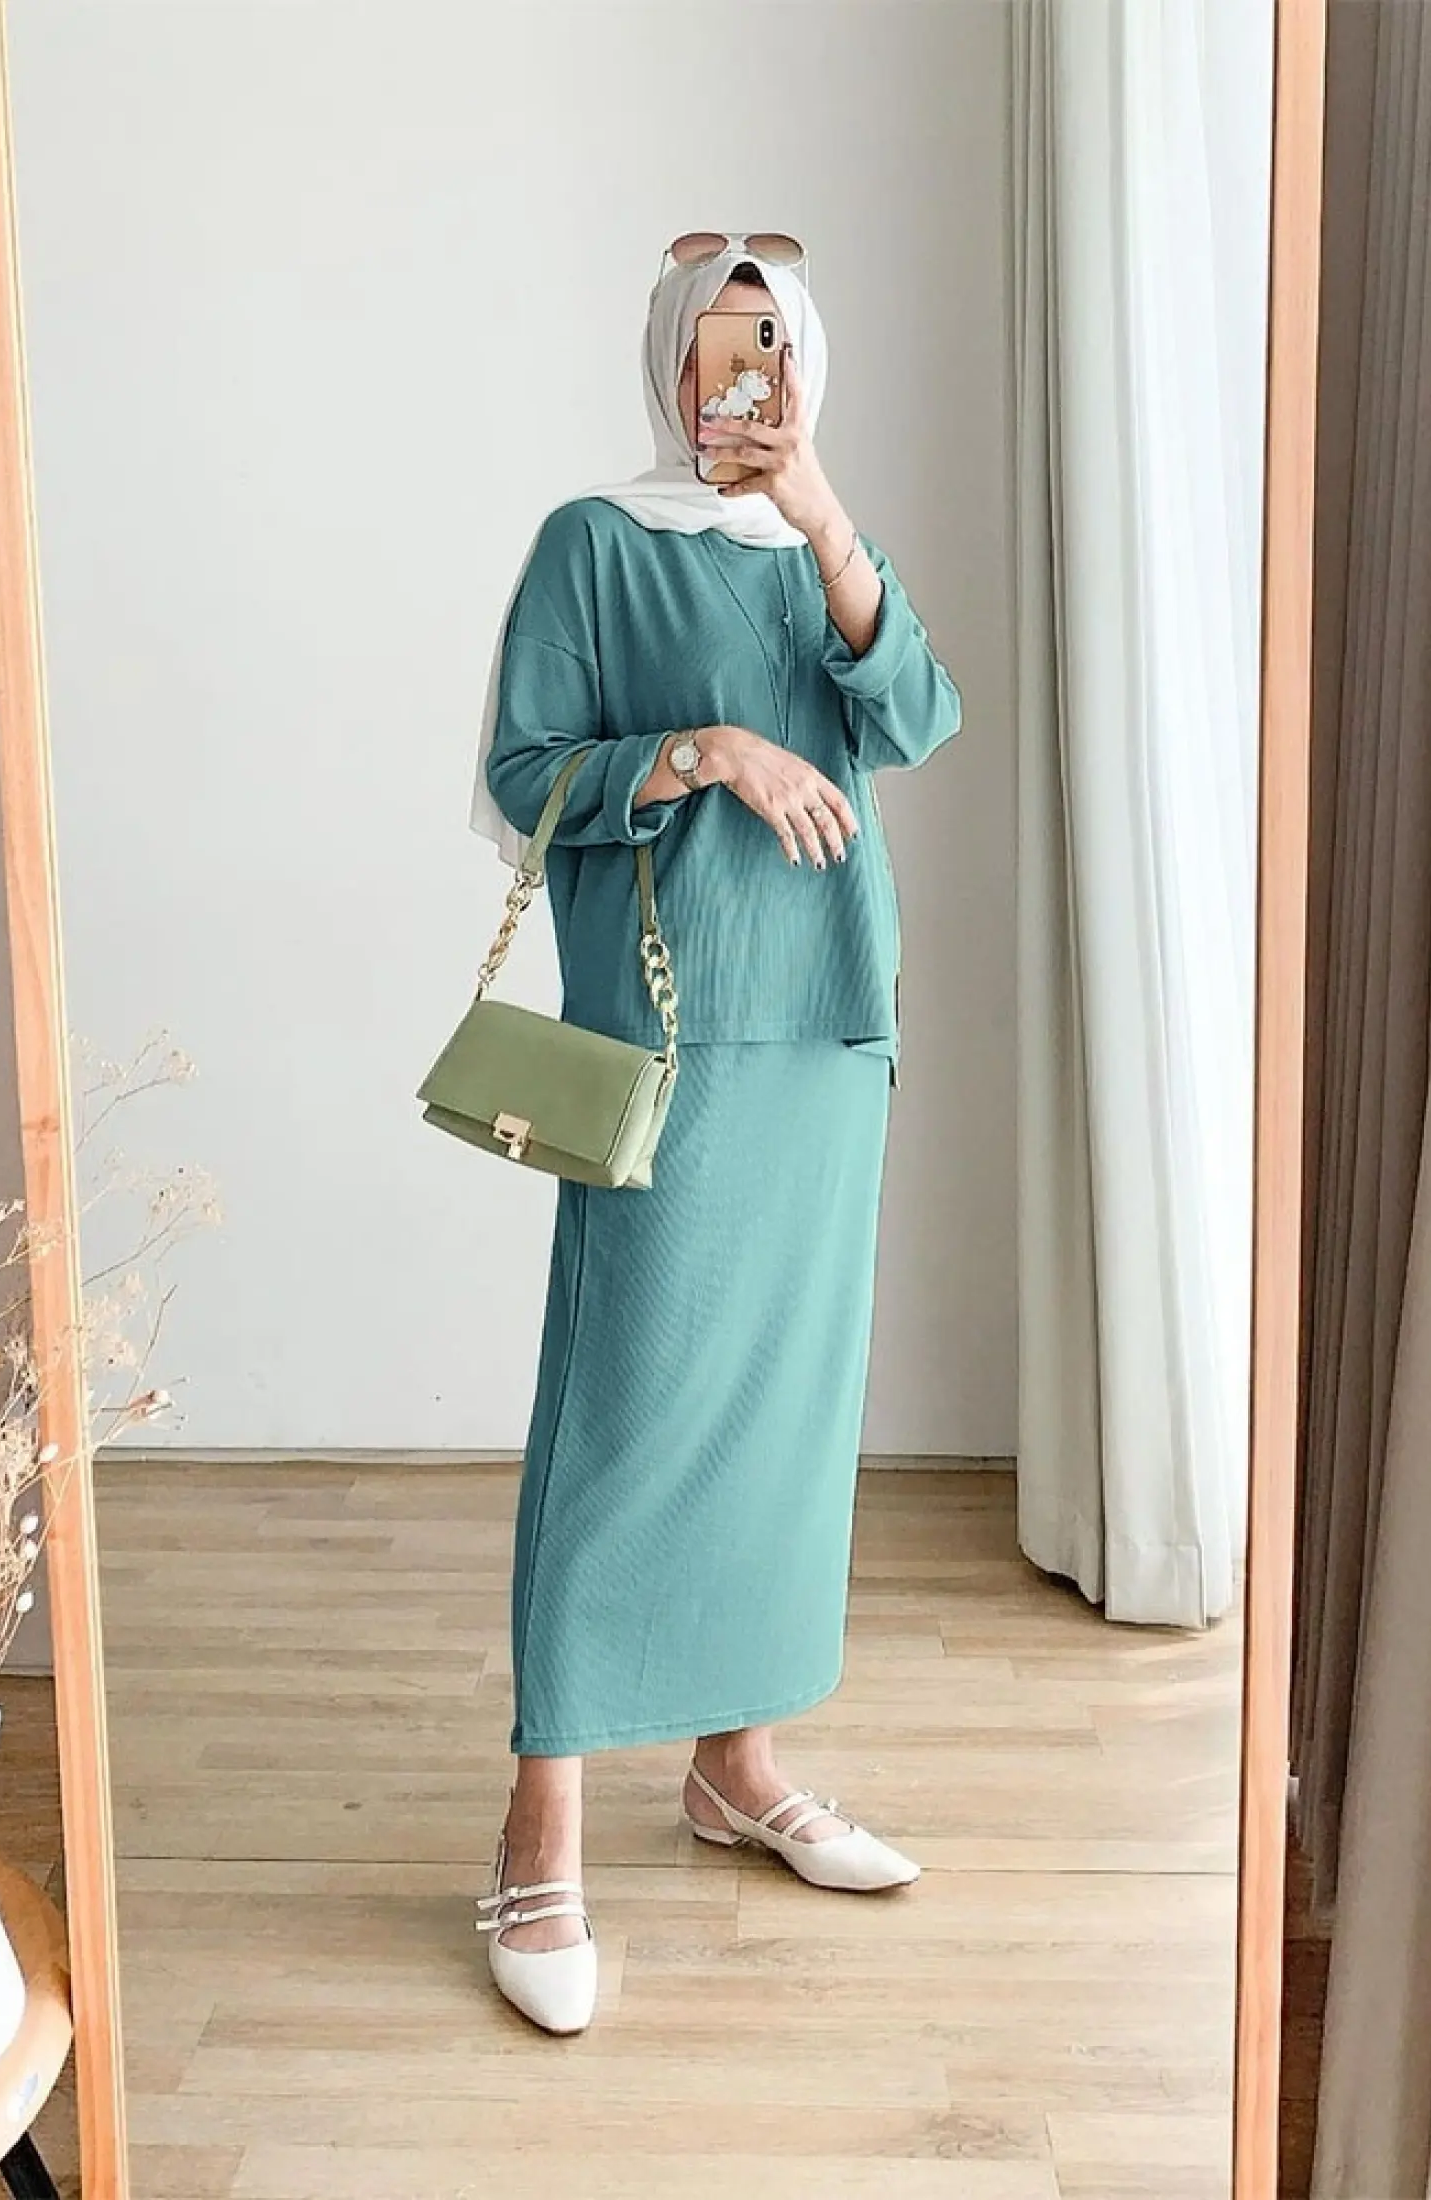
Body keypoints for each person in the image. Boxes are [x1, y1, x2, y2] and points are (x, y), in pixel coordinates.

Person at [467, 231, 962, 2034]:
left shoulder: (826, 548)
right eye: (716, 344)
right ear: (671, 359)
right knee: (625, 1415)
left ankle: (737, 1768)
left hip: (829, 1029)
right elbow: (521, 776)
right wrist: (699, 753)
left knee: (786, 1419)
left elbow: (919, 717)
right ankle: (541, 1820)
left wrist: (823, 514)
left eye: (774, 345)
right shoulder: (593, 544)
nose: (743, 376)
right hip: (671, 1037)